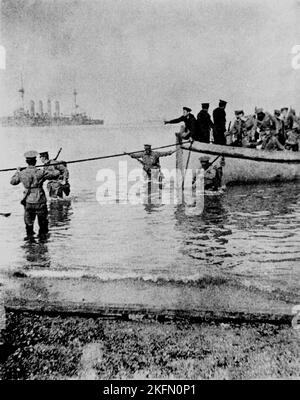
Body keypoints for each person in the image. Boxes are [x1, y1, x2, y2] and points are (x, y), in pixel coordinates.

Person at [10, 150, 59, 237]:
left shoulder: (22, 173)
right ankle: (42, 247)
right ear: (35, 161)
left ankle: (30, 246)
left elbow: (13, 182)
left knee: (29, 227)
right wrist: (51, 166)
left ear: (26, 162)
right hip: (40, 201)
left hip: (28, 201)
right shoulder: (40, 172)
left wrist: (17, 171)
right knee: (43, 227)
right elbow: (56, 174)